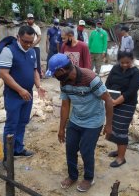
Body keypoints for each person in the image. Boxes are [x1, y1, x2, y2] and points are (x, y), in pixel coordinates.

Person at [46, 53, 113, 192]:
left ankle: (89, 178)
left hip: (93, 121)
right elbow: (65, 105)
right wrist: (61, 128)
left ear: (62, 71)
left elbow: (108, 100)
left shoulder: (90, 78)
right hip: (76, 119)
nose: (54, 76)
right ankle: (73, 176)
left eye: (54, 73)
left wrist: (108, 125)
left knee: (86, 150)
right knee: (70, 148)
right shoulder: (63, 82)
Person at [0, 26, 45, 161]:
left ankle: (18, 149)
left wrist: (38, 85)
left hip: (27, 94)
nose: (29, 44)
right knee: (12, 124)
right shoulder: (8, 51)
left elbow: (35, 70)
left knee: (23, 122)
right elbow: (3, 74)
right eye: (25, 41)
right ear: (18, 37)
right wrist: (20, 90)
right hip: (14, 95)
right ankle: (8, 156)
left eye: (31, 42)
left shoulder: (32, 52)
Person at [105, 51, 139, 167]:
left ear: (132, 60)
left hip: (127, 104)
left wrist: (117, 101)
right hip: (113, 101)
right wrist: (109, 98)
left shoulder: (136, 73)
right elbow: (107, 83)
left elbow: (131, 91)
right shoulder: (115, 69)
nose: (125, 65)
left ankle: (121, 158)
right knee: (114, 127)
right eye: (122, 62)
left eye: (128, 62)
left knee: (121, 130)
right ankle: (119, 150)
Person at [27, 13, 42, 78]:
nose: (30, 20)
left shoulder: (37, 27)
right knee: (27, 61)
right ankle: (29, 75)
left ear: (33, 19)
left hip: (35, 47)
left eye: (31, 19)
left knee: (37, 62)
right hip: (26, 47)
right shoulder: (25, 28)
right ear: (27, 19)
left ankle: (38, 76)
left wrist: (33, 44)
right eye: (29, 19)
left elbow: (39, 37)